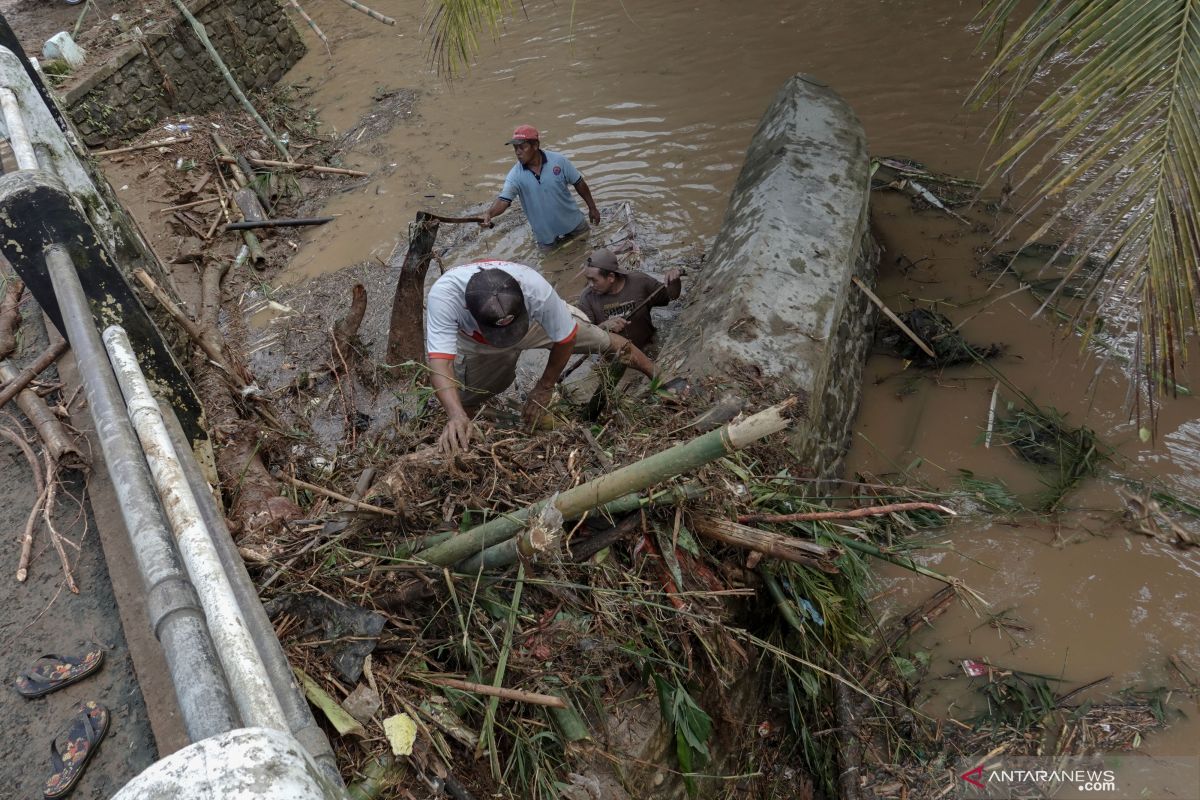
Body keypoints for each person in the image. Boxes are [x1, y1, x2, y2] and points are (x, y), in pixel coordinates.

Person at [426, 260, 659, 453]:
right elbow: (440, 362)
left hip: (531, 324)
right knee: (467, 398)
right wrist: (455, 415)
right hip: (478, 341)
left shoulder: (533, 287)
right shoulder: (445, 297)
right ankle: (484, 426)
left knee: (603, 341)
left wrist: (545, 386)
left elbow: (566, 337)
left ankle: (659, 377)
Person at [480, 125, 601, 250]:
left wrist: (592, 208)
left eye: (522, 147)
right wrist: (489, 213)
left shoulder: (559, 161)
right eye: (515, 148)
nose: (517, 152)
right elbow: (504, 200)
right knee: (550, 266)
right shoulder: (515, 175)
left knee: (586, 253)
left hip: (574, 225)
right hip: (546, 236)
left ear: (536, 145)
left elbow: (579, 182)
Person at [579, 248, 682, 350]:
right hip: (615, 356)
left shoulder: (640, 282)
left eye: (594, 280)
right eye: (587, 279)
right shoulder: (587, 298)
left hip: (648, 346)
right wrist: (603, 327)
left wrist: (674, 280)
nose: (590, 285)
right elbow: (585, 338)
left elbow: (671, 296)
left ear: (611, 277)